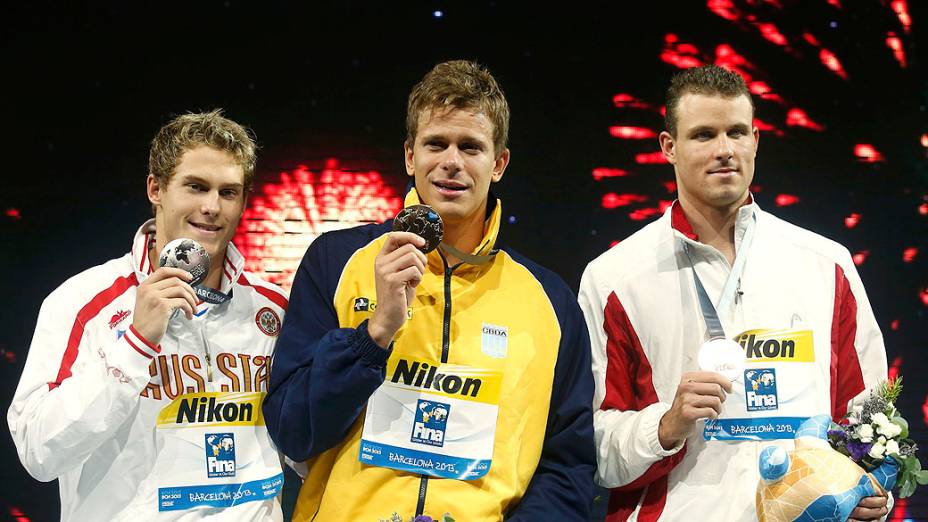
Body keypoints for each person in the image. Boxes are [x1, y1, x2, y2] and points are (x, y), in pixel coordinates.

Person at [264, 60, 595, 521]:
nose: (451, 162)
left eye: (471, 147)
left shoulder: (550, 301)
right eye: (435, 143)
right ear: (409, 156)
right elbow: (292, 431)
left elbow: (568, 465)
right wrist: (373, 335)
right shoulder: (335, 261)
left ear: (498, 163)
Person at [578, 65, 890, 521]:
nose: (724, 150)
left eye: (737, 133)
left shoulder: (827, 264)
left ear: (756, 141)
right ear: (669, 147)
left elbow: (871, 414)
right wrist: (667, 425)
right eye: (703, 135)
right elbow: (593, 448)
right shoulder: (614, 279)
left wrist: (872, 494)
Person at [8, 110, 289, 521]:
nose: (211, 206)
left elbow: (302, 440)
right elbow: (38, 452)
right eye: (195, 187)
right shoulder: (83, 302)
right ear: (156, 189)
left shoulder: (273, 308)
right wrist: (135, 345)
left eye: (229, 192)